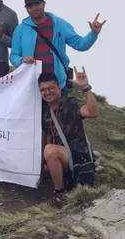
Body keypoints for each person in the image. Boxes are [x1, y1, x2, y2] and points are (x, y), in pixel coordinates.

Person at [11, 0, 105, 95]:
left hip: (57, 84)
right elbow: (14, 56)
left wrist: (93, 33)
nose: (34, 8)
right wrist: (21, 60)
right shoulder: (20, 30)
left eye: (37, 4)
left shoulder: (59, 24)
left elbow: (80, 44)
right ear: (26, 8)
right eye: (30, 5)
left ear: (44, 3)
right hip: (30, 86)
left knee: (58, 111)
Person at [39, 68, 99, 205]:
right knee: (37, 167)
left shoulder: (71, 104)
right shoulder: (43, 113)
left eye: (51, 88)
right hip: (60, 158)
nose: (47, 92)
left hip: (78, 157)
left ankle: (60, 194)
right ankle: (64, 179)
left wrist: (85, 88)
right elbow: (42, 139)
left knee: (50, 150)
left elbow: (93, 112)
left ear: (59, 87)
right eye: (43, 90)